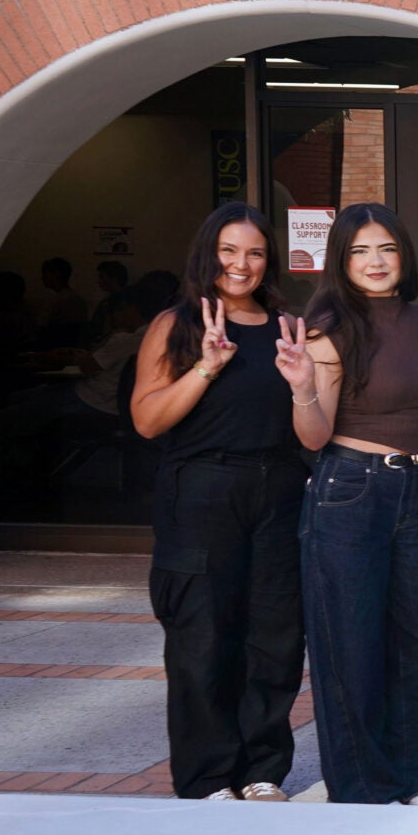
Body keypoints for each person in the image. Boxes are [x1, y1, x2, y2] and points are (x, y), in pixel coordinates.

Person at [281, 203, 418, 805]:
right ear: (341, 259)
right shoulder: (329, 325)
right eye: (360, 251)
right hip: (350, 490)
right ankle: (365, 787)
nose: (375, 262)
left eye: (385, 248)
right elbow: (313, 437)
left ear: (403, 255)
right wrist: (305, 390)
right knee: (350, 644)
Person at [127, 205, 305, 801]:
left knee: (274, 638)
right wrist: (206, 365)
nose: (241, 264)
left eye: (254, 253)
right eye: (230, 251)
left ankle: (261, 770)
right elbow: (148, 420)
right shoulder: (176, 324)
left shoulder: (286, 324)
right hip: (202, 491)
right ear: (208, 254)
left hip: (278, 490)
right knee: (202, 637)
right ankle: (207, 778)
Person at [35, 256, 89, 349]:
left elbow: (41, 329)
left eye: (45, 273)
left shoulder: (55, 301)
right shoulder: (79, 299)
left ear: (55, 274)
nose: (42, 277)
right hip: (73, 349)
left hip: (53, 349)